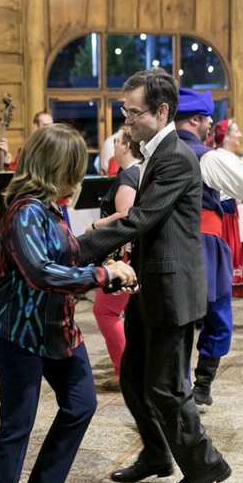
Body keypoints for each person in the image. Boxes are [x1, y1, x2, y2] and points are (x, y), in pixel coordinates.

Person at [0, 124, 136, 483]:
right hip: (21, 332)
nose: (78, 178)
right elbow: (41, 272)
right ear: (56, 168)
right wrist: (102, 275)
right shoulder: (24, 209)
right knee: (16, 428)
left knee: (81, 404)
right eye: (73, 168)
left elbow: (65, 254)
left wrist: (107, 252)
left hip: (57, 326)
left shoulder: (50, 208)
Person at [78, 68, 231, 483]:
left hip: (172, 288)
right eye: (125, 112)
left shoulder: (176, 157)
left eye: (134, 113)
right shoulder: (154, 154)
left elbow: (140, 220)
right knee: (132, 377)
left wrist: (79, 246)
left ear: (162, 111)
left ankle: (205, 465)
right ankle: (157, 454)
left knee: (166, 386)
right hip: (150, 286)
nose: (127, 122)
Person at [173, 89, 233, 405]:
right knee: (218, 317)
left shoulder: (161, 152)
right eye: (208, 118)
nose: (212, 123)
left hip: (175, 244)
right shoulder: (207, 156)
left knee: (179, 321)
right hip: (207, 241)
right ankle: (202, 387)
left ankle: (181, 390)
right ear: (196, 120)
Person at [89, 127, 142, 392]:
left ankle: (124, 371)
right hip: (126, 253)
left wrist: (95, 226)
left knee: (105, 311)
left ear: (126, 147)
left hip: (122, 255)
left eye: (118, 141)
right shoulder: (132, 172)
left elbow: (125, 214)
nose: (115, 144)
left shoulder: (130, 175)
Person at [208, 119, 243, 298]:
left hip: (229, 210)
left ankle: (226, 284)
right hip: (223, 212)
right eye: (236, 131)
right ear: (226, 137)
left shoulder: (228, 157)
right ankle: (224, 285)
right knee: (225, 249)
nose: (239, 135)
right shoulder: (222, 157)